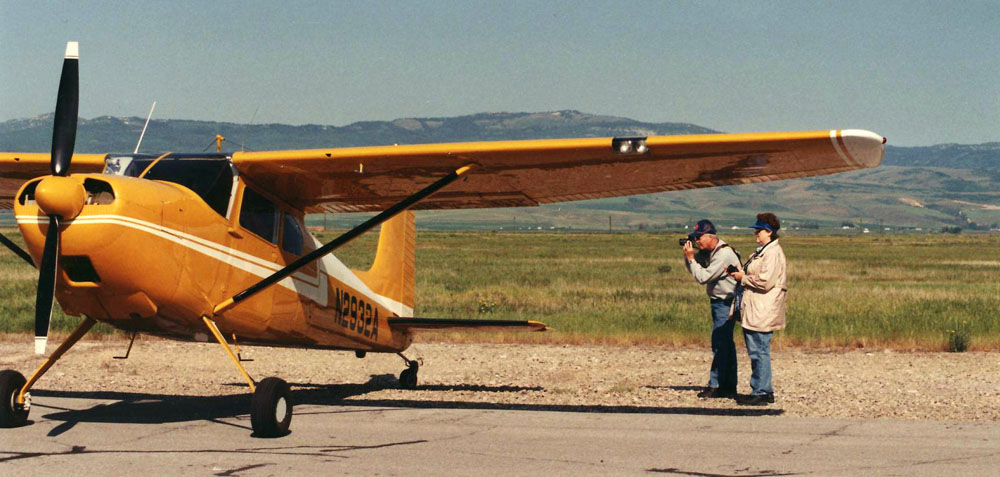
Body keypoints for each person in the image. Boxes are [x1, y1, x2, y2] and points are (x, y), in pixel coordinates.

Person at [728, 213, 787, 406]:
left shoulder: (772, 253)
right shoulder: (764, 251)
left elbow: (765, 281)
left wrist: (742, 278)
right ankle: (762, 389)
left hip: (762, 309)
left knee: (759, 351)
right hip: (756, 308)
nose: (756, 234)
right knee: (757, 350)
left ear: (769, 232)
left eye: (759, 230)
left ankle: (761, 391)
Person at [682, 219, 741, 399]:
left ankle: (717, 385)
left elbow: (702, 277)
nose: (698, 242)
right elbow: (698, 270)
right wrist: (691, 258)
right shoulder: (714, 251)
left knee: (720, 344)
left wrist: (692, 259)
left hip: (724, 302)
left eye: (700, 238)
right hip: (720, 302)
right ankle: (728, 385)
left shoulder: (723, 255)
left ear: (711, 236)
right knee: (725, 345)